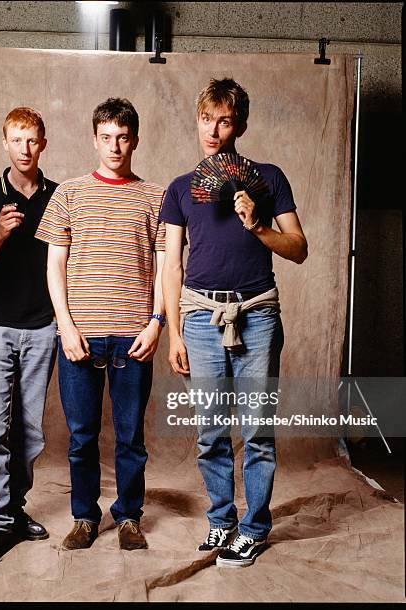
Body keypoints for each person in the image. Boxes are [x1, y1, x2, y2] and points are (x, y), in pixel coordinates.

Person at [161, 78, 308, 567]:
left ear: (239, 124)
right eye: (207, 118)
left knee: (258, 429)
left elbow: (300, 249)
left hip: (257, 314)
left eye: (224, 120)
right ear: (198, 120)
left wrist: (258, 225)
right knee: (210, 429)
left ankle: (255, 528)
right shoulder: (182, 188)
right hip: (200, 316)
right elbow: (171, 265)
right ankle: (222, 521)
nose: (214, 129)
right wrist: (175, 332)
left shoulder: (269, 179)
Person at [36, 98, 166, 551]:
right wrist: (66, 327)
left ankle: (129, 516)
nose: (115, 146)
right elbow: (55, 266)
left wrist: (156, 323)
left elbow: (167, 265)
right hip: (81, 337)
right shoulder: (69, 193)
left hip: (134, 336)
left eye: (123, 138)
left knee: (130, 436)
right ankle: (85, 518)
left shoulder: (155, 196)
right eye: (106, 137)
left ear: (135, 139)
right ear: (95, 139)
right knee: (82, 436)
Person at [0, 107, 58, 568]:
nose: (25, 149)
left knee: (30, 432)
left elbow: (70, 266)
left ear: (43, 143)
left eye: (32, 140)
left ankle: (14, 511)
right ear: (5, 143)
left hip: (43, 327)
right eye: (16, 140)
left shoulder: (60, 197)